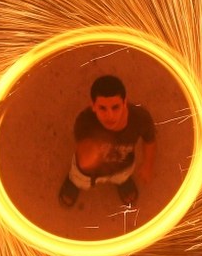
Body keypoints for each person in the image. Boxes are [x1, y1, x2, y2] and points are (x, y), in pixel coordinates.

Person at [58, 75, 156, 208]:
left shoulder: (140, 118)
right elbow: (83, 157)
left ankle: (121, 182)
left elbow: (149, 139)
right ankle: (74, 182)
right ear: (93, 106)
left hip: (123, 166)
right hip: (89, 173)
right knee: (80, 179)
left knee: (122, 177)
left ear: (125, 102)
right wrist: (89, 155)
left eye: (115, 107)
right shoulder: (85, 121)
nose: (110, 116)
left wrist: (148, 164)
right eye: (102, 108)